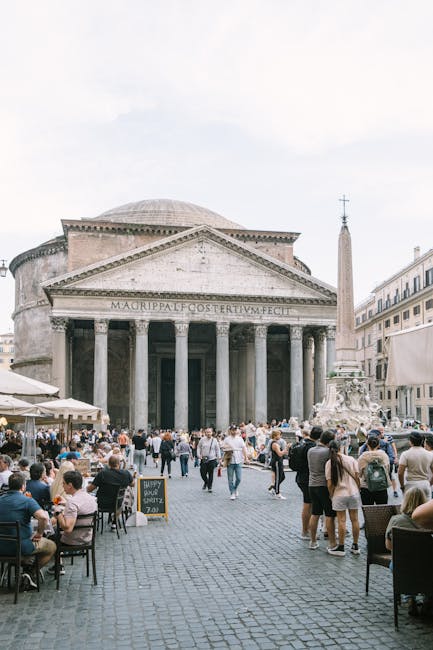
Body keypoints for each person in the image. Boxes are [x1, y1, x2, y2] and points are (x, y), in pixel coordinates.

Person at [0, 472, 56, 589]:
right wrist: (39, 533)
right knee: (51, 546)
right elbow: (43, 517)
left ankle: (26, 567)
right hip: (21, 546)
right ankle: (30, 573)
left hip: (2, 545)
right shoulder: (27, 501)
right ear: (23, 486)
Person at [49, 470, 97, 575]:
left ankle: (58, 565)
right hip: (87, 537)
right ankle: (58, 564)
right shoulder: (91, 498)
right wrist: (66, 503)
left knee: (49, 536)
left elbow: (67, 528)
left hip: (73, 540)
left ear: (70, 485)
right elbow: (81, 508)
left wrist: (58, 513)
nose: (63, 486)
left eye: (64, 484)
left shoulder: (72, 502)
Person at [325, 440, 361, 556]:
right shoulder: (351, 459)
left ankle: (341, 547)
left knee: (341, 520)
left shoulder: (329, 463)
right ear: (340, 448)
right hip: (353, 492)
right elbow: (357, 477)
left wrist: (331, 495)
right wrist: (358, 488)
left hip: (339, 494)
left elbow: (330, 483)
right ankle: (355, 546)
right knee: (355, 519)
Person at [307, 430, 337, 551]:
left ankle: (313, 541)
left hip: (312, 485)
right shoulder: (328, 452)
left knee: (315, 513)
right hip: (324, 485)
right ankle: (332, 542)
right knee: (329, 515)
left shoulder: (311, 450)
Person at [295, 426, 321, 539]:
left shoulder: (302, 442)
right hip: (308, 478)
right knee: (308, 504)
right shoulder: (312, 447)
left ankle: (308, 529)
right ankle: (305, 531)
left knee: (309, 503)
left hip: (301, 476)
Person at [398, 431, 433, 500]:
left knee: (410, 509)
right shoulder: (429, 454)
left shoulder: (405, 454)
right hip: (425, 484)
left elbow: (400, 473)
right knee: (425, 509)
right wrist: (429, 484)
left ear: (410, 442)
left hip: (411, 485)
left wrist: (402, 486)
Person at [358, 436, 390, 505]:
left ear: (367, 444)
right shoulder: (384, 456)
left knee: (368, 511)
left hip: (366, 487)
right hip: (381, 486)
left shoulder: (362, 457)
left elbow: (359, 474)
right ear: (378, 445)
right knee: (383, 510)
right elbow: (387, 470)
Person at [222, 425, 248, 500]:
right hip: (230, 460)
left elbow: (244, 448)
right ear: (230, 431)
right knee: (230, 479)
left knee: (239, 478)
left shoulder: (240, 439)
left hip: (239, 460)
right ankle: (232, 492)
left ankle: (235, 488)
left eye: (235, 430)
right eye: (232, 430)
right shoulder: (227, 439)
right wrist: (227, 449)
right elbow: (223, 448)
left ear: (236, 431)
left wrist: (246, 458)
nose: (233, 431)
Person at [197, 428, 221, 492]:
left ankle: (210, 487)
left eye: (209, 432)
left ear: (212, 433)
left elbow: (217, 449)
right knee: (202, 473)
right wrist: (199, 455)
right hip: (204, 458)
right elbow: (198, 447)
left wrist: (219, 458)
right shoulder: (202, 439)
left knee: (211, 473)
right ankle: (206, 482)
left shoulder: (215, 440)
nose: (208, 433)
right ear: (205, 433)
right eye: (207, 432)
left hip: (212, 459)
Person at [269, 430, 287, 499]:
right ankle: (277, 493)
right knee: (279, 477)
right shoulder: (275, 444)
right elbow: (280, 454)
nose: (280, 436)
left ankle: (274, 488)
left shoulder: (275, 443)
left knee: (282, 477)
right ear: (275, 436)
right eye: (279, 435)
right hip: (277, 462)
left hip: (279, 461)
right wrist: (286, 449)